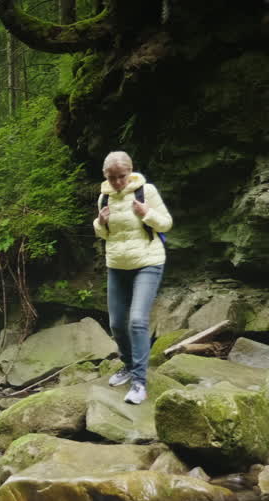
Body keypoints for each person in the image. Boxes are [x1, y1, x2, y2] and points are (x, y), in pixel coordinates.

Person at [93, 151, 172, 405]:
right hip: (117, 265)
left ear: (130, 171)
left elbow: (166, 224)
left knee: (137, 321)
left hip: (148, 262)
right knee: (116, 323)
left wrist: (147, 213)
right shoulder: (104, 197)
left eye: (121, 176)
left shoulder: (146, 191)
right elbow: (106, 235)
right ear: (106, 176)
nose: (117, 182)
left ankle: (139, 382)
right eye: (112, 177)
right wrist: (100, 223)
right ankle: (127, 365)